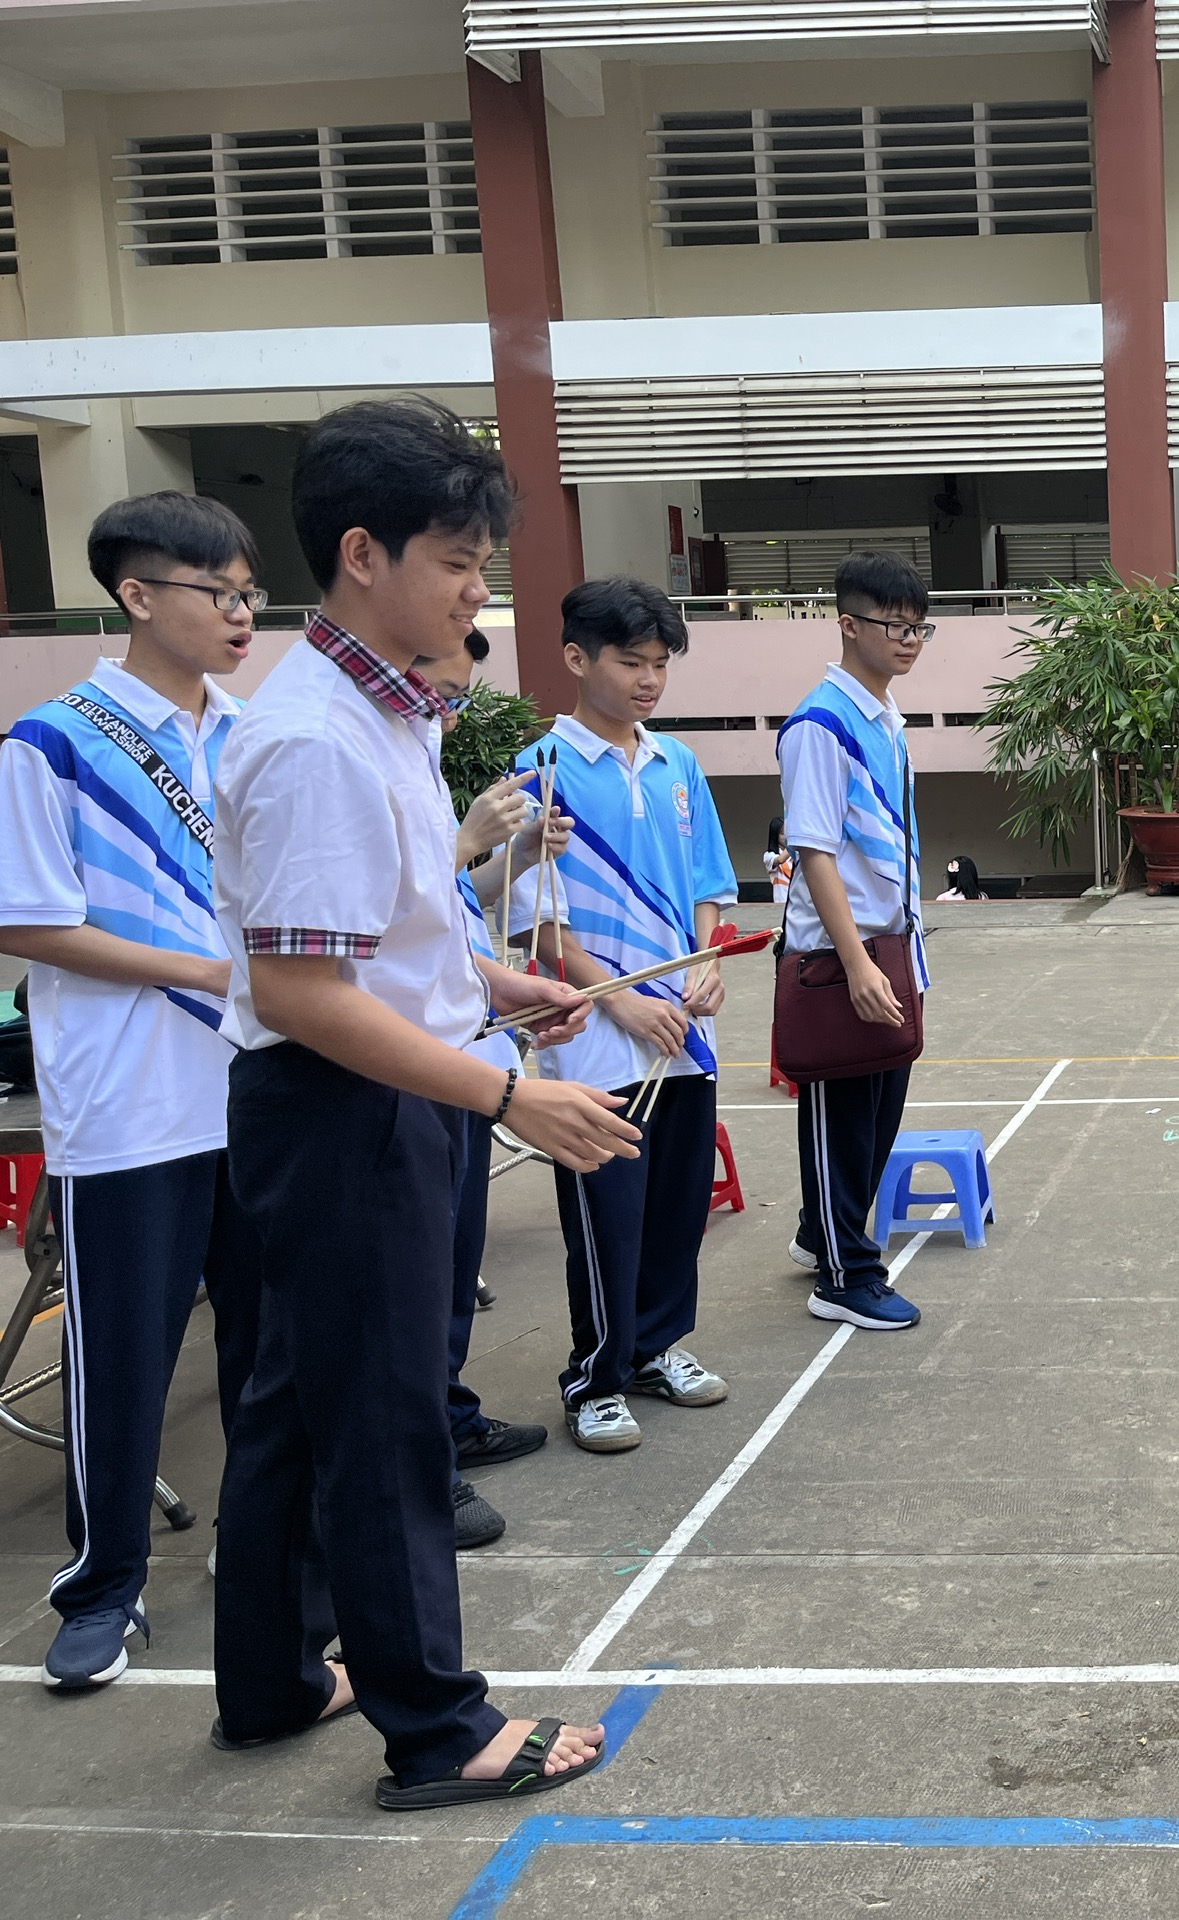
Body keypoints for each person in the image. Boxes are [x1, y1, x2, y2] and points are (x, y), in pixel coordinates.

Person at [210, 395, 633, 1808]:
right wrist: (511, 1093)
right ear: (361, 554)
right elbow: (301, 993)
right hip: (346, 1105)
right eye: (455, 562)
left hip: (370, 1087)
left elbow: (383, 936)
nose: (475, 593)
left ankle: (273, 1679)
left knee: (296, 1400)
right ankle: (439, 1729)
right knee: (387, 1419)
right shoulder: (317, 738)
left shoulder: (386, 710)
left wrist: (498, 988)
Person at [0, 492, 265, 1690]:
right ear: (139, 595)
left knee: (269, 1347)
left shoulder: (255, 735)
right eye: (220, 593)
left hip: (258, 1087)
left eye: (252, 594)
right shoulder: (52, 742)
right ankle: (103, 1584)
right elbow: (27, 920)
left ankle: (262, 1550)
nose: (243, 614)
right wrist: (202, 970)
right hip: (129, 1105)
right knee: (123, 1358)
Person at [514, 577, 736, 1454]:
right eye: (631, 662)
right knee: (608, 1217)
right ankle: (595, 1379)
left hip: (685, 1032)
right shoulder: (540, 771)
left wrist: (708, 963)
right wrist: (625, 1003)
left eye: (660, 664)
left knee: (679, 1206)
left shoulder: (679, 764)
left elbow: (711, 886)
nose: (649, 680)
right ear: (577, 658)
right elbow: (542, 926)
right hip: (598, 1043)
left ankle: (657, 1348)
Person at [420, 628, 573, 1545]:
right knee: (412, 1281)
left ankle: (448, 1416)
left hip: (466, 1054)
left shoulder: (420, 766)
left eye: (459, 699)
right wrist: (463, 840)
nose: (449, 714)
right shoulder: (329, 753)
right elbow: (374, 917)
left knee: (452, 1265)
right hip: (408, 1070)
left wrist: (511, 858)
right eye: (441, 693)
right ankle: (422, 1466)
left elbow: (452, 914)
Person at [780, 552, 931, 1330]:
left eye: (918, 627)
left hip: (889, 944)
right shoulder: (821, 725)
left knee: (876, 1114)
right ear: (847, 624)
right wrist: (855, 962)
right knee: (840, 1115)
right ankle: (844, 1275)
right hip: (840, 955)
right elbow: (813, 851)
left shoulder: (885, 718)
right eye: (894, 624)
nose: (908, 639)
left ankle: (822, 1234)